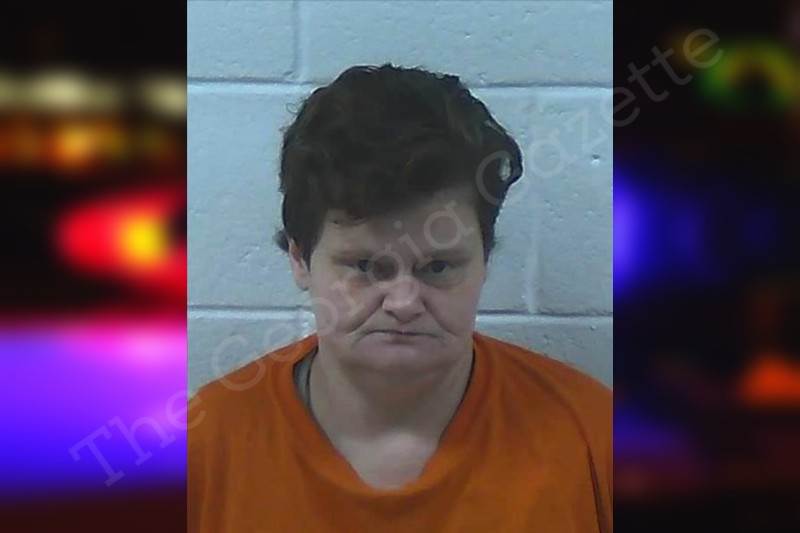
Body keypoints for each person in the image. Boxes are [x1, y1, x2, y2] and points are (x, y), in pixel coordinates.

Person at [188, 64, 612, 533]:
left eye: (438, 267)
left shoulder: (597, 437)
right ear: (300, 259)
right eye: (365, 266)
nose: (404, 303)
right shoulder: (200, 449)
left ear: (485, 260)